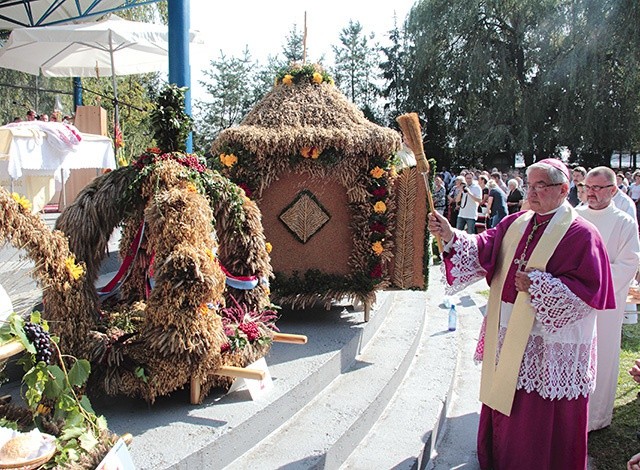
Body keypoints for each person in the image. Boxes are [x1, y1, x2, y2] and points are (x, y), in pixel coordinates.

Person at [428, 158, 615, 470]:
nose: (533, 192)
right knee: (508, 399)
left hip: (549, 342)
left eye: (542, 185)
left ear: (564, 189)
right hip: (510, 328)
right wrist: (449, 234)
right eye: (531, 185)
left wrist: (540, 285)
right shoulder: (517, 223)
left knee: (538, 416)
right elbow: (483, 248)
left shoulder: (582, 233)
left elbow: (589, 293)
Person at [575, 167, 640, 431]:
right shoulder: (574, 216)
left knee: (602, 354)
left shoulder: (625, 222)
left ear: (613, 190)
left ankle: (596, 417)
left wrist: (586, 276)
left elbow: (628, 264)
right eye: (587, 187)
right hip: (573, 300)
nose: (590, 192)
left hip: (605, 304)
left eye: (597, 188)